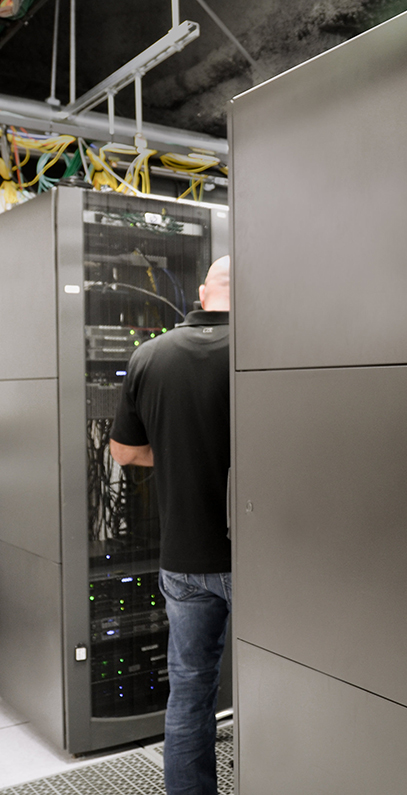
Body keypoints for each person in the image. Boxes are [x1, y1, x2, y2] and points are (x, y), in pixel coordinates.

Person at [110, 256, 232, 795]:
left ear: (204, 294)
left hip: (182, 559)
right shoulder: (266, 354)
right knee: (282, 682)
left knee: (189, 689)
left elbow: (124, 452)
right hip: (257, 555)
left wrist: (182, 456)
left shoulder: (148, 355)